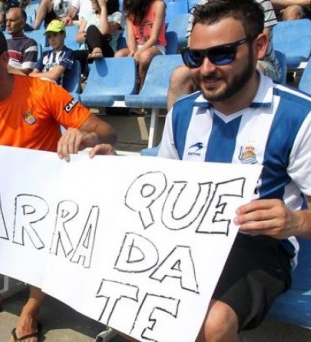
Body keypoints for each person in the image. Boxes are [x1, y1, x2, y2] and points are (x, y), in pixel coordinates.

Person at [91, 0, 311, 340]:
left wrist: (295, 222)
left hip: (259, 245)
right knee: (128, 308)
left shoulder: (298, 117)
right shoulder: (182, 113)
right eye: (194, 56)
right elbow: (162, 186)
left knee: (211, 323)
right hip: (186, 239)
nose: (205, 69)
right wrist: (114, 169)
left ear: (259, 46)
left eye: (221, 54)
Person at [0, 25, 117, 342]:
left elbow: (108, 133)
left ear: (4, 59)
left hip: (46, 199)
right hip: (2, 198)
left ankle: (31, 309)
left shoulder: (43, 92)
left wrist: (85, 135)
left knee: (42, 220)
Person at [166, 0, 281, 110]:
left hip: (262, 62)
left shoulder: (261, 2)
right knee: (179, 75)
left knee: (253, 68)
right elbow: (194, 47)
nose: (206, 70)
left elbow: (257, 52)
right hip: (212, 58)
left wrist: (223, 53)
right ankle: (178, 122)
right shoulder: (201, 6)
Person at [114, 0, 166, 89]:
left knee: (145, 56)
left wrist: (138, 53)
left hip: (155, 46)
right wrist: (132, 51)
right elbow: (130, 36)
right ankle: (124, 87)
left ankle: (142, 86)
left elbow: (154, 38)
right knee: (119, 55)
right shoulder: (130, 8)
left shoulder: (158, 5)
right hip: (137, 47)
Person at [30, 20, 75, 86]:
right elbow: (31, 75)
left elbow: (55, 75)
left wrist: (37, 76)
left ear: (63, 35)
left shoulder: (68, 53)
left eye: (55, 35)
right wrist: (47, 75)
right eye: (49, 37)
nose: (52, 39)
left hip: (55, 89)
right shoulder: (45, 54)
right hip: (41, 86)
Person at [5, 7, 39, 75]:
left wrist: (4, 69)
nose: (7, 24)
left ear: (22, 24)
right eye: (6, 20)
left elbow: (27, 73)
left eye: (12, 21)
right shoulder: (4, 43)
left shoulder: (30, 43)